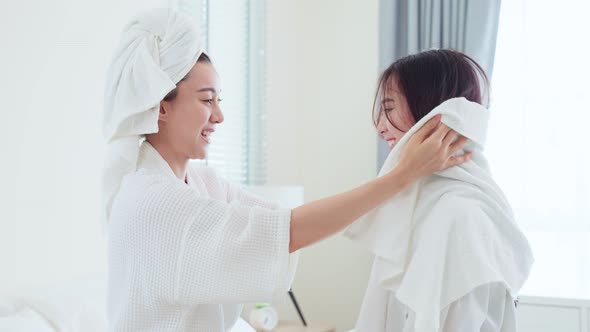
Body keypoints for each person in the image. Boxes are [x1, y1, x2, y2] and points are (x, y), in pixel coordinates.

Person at [103, 9, 472, 331]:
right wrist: (399, 176)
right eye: (206, 100)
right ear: (160, 107)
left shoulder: (202, 182)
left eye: (219, 100)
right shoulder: (150, 203)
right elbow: (289, 231)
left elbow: (286, 223)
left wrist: (399, 179)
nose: (219, 115)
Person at [346, 49, 533, 332]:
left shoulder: (457, 214)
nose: (381, 127)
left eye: (389, 108)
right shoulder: (420, 204)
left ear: (433, 111)